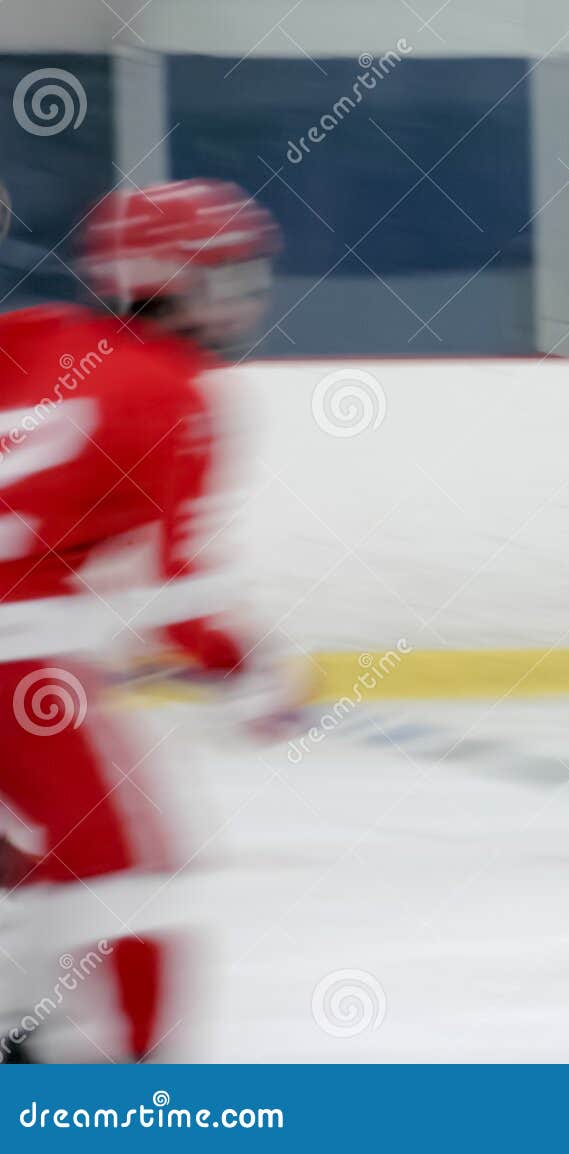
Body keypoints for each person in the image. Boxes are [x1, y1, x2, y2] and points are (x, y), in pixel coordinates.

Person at [0, 179, 298, 1062]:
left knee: (27, 859)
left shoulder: (42, 334)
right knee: (127, 875)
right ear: (170, 280)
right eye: (225, 275)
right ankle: (140, 1102)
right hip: (18, 662)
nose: (244, 295)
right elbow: (183, 606)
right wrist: (252, 674)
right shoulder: (178, 389)